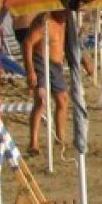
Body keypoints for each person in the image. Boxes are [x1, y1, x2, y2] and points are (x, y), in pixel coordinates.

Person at [24, 11, 68, 156]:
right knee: (41, 101)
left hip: (56, 65)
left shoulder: (65, 22)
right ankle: (33, 143)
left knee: (62, 101)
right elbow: (28, 43)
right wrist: (30, 71)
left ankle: (60, 138)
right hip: (41, 62)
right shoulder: (44, 22)